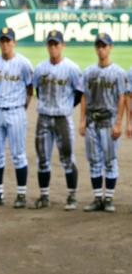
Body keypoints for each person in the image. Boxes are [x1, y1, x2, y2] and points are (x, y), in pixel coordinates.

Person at [0, 25, 33, 208]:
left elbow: (29, 89)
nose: (5, 45)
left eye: (8, 41)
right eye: (2, 41)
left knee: (18, 155)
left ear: (14, 42)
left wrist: (21, 107)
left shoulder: (24, 64)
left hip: (16, 111)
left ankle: (21, 194)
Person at [32, 30, 84, 210]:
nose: (53, 47)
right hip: (44, 117)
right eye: (51, 44)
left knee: (68, 157)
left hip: (63, 117)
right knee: (42, 158)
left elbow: (79, 93)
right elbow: (38, 91)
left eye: (56, 44)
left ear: (63, 45)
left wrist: (67, 106)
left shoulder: (72, 68)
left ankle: (72, 196)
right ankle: (44, 196)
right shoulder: (40, 68)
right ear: (47, 46)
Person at [79, 32, 126, 212]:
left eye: (104, 46)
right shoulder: (89, 71)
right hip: (92, 121)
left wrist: (118, 123)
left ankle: (109, 198)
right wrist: (82, 120)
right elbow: (84, 96)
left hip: (109, 120)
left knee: (110, 160)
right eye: (98, 46)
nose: (101, 49)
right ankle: (98, 198)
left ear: (110, 48)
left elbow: (122, 98)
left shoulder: (118, 72)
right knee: (94, 161)